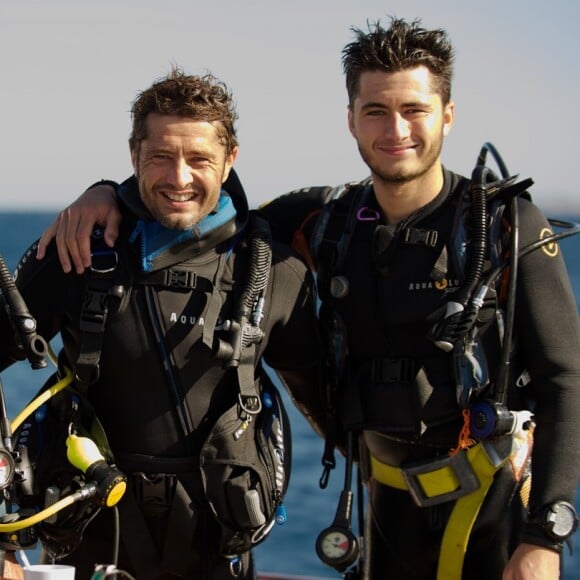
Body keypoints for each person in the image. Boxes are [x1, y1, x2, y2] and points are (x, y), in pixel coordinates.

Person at [37, 17, 580, 580]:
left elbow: (566, 379)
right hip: (383, 498)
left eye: (414, 110)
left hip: (493, 505)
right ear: (351, 120)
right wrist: (105, 195)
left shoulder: (506, 226)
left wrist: (545, 534)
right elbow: (201, 211)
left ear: (447, 114)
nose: (395, 129)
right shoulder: (324, 222)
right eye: (375, 111)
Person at [0, 69, 326, 580]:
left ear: (230, 160)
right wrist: (4, 542)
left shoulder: (275, 274)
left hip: (216, 549)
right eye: (160, 157)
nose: (179, 178)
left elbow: (337, 411)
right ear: (134, 156)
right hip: (89, 539)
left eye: (199, 159)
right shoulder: (78, 252)